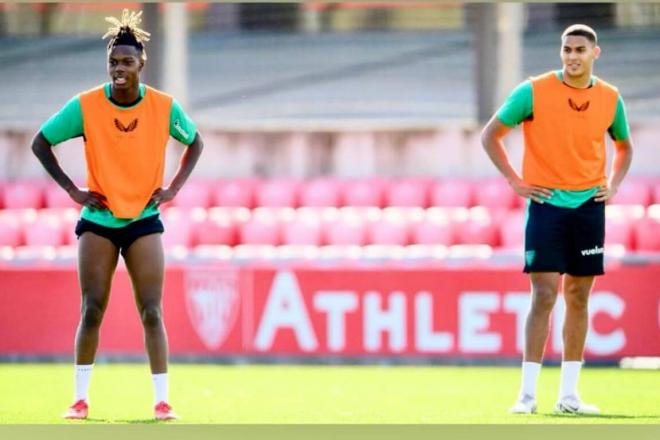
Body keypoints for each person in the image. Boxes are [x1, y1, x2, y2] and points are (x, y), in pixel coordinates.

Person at [31, 9, 203, 421]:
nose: (118, 68)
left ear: (142, 63)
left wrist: (174, 188)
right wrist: (73, 190)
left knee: (151, 310)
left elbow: (195, 142)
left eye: (127, 61)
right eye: (113, 62)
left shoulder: (163, 107)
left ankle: (162, 402)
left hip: (143, 219)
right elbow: (41, 142)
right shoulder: (86, 105)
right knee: (92, 308)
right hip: (100, 220)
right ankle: (79, 399)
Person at [481, 24, 633, 415]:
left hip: (589, 208)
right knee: (544, 295)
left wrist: (613, 185)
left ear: (595, 53)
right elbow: (490, 134)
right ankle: (527, 395)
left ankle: (569, 396)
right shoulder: (533, 91)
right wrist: (515, 181)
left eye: (580, 49)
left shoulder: (610, 97)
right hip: (546, 205)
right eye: (566, 49)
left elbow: (623, 146)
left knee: (579, 297)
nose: (571, 56)